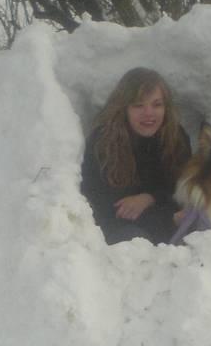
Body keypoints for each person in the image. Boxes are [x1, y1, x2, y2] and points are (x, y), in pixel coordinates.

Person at [81, 67, 191, 245]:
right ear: (124, 108)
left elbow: (181, 189)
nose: (149, 113)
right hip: (120, 229)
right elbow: (102, 205)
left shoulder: (175, 137)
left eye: (157, 105)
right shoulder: (103, 141)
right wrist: (165, 217)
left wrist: (149, 198)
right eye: (138, 105)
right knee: (135, 241)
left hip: (166, 220)